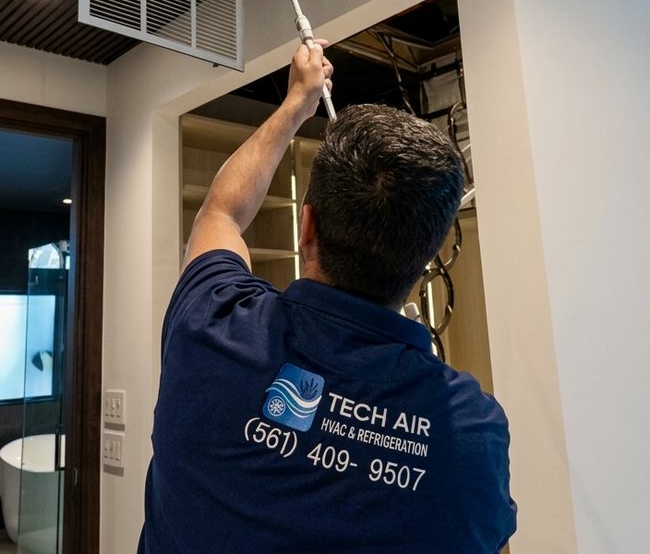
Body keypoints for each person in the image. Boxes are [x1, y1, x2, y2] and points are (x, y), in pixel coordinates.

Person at [138, 41, 516, 553]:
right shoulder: (471, 430)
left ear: (306, 225)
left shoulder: (213, 326)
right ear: (430, 254)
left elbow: (222, 214)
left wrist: (298, 103)